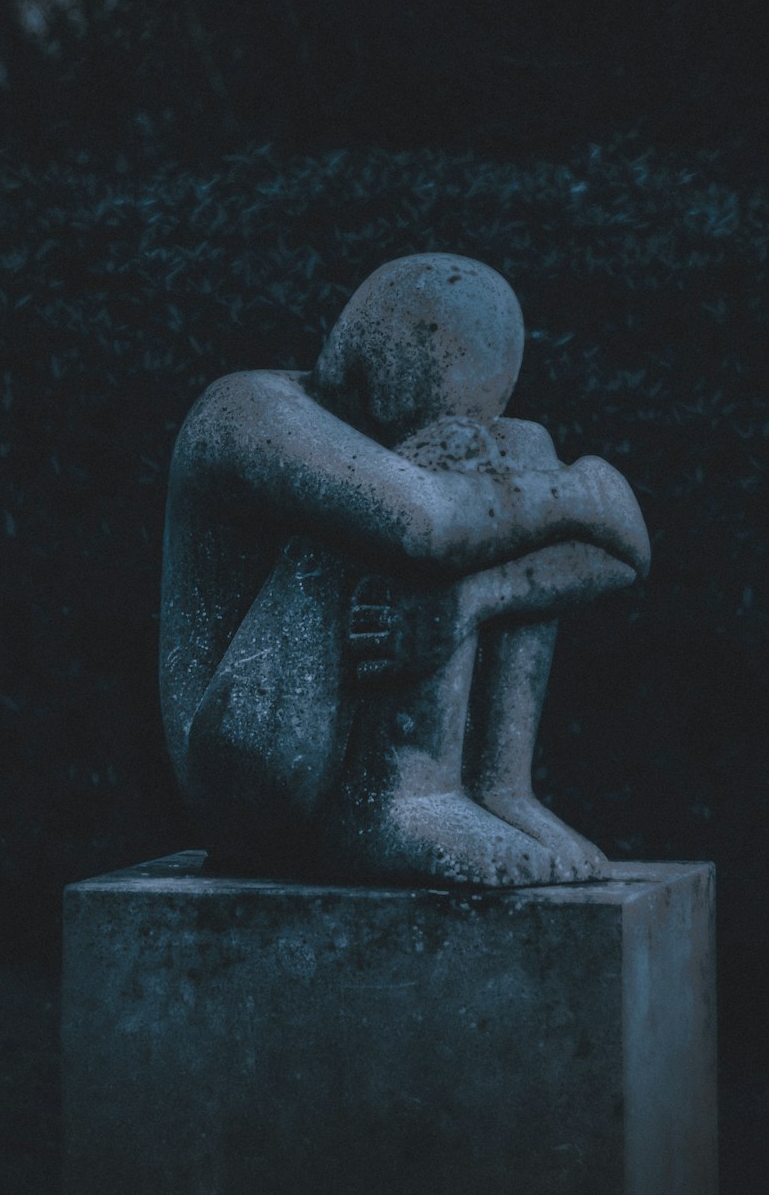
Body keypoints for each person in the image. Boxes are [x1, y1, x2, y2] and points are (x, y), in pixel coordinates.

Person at [159, 254, 650, 885]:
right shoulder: (246, 410)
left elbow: (623, 556)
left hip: (323, 713)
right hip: (251, 758)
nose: (471, 423)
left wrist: (475, 598)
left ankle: (500, 788)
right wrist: (582, 491)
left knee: (518, 450)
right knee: (452, 467)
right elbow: (424, 523)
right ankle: (402, 797)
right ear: (381, 362)